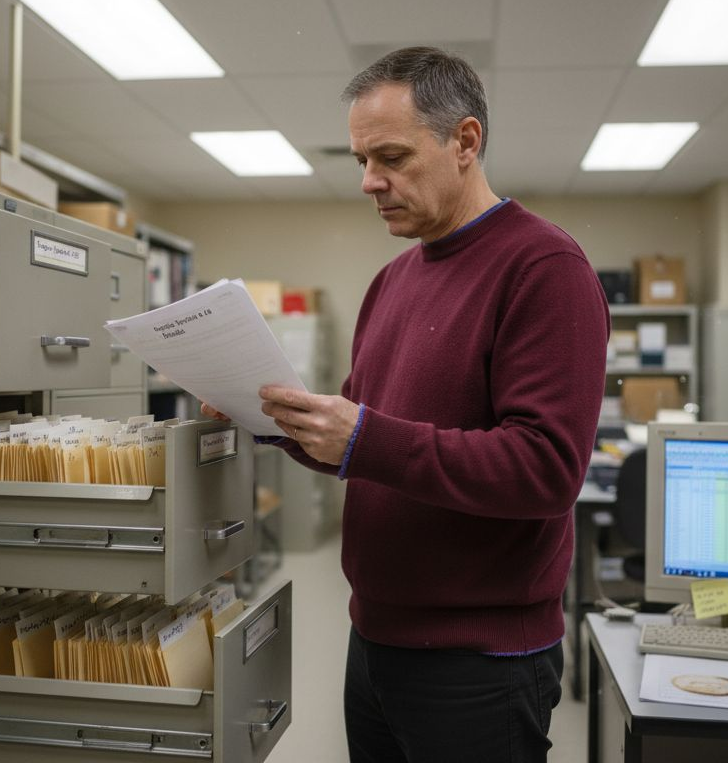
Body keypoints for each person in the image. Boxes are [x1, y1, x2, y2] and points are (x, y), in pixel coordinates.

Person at [206, 46, 609, 762]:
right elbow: (362, 442)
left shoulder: (544, 267)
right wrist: (269, 418)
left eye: (389, 156)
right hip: (376, 639)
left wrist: (363, 436)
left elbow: (546, 470)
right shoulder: (392, 280)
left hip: (481, 663)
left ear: (465, 141)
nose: (369, 181)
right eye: (360, 160)